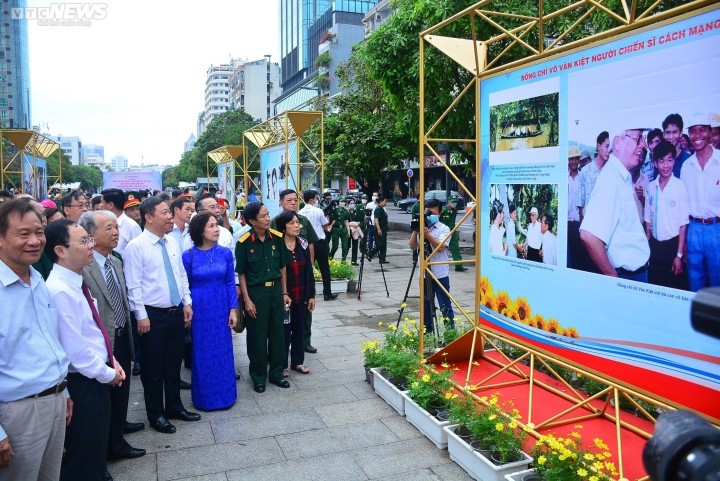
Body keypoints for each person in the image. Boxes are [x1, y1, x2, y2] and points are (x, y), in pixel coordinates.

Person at [44, 219, 126, 481]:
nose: (91, 246)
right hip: (83, 382)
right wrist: (107, 373)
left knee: (95, 447)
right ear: (60, 251)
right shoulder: (58, 291)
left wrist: (111, 359)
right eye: (84, 241)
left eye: (90, 239)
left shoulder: (75, 281)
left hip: (96, 374)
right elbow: (75, 350)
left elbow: (92, 330)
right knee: (83, 453)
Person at [0, 198, 71, 481]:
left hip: (53, 400)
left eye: (39, 232)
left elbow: (48, 341)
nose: (34, 241)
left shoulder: (37, 279)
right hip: (17, 413)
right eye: (23, 234)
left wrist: (62, 391)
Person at [124, 197, 200, 434]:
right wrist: (141, 315)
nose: (170, 216)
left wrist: (187, 303)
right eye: (165, 212)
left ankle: (175, 406)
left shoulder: (171, 242)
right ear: (148, 217)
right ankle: (156, 414)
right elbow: (133, 285)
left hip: (176, 311)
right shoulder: (136, 246)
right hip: (152, 316)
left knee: (173, 362)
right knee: (153, 368)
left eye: (169, 212)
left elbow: (180, 275)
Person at [78, 211, 147, 469]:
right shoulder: (84, 267)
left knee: (121, 392)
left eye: (117, 227)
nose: (116, 232)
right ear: (91, 235)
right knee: (102, 399)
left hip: (121, 335)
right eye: (109, 228)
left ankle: (117, 438)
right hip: (99, 342)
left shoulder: (115, 261)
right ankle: (103, 453)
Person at [182, 212, 238, 410]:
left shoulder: (225, 253)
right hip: (200, 311)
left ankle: (226, 395)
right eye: (211, 226)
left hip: (221, 307)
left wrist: (233, 309)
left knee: (223, 351)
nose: (216, 229)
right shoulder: (188, 256)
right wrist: (187, 308)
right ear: (199, 231)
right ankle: (204, 398)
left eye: (217, 225)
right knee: (202, 352)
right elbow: (185, 286)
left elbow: (230, 283)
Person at [580, 127, 650, 281]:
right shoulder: (612, 178)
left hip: (633, 274)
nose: (643, 145)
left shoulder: (620, 175)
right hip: (627, 277)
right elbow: (589, 236)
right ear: (617, 142)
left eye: (643, 139)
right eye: (638, 138)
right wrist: (615, 280)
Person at [235, 202, 292, 393]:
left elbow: (283, 267)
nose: (268, 219)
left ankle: (276, 374)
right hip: (256, 294)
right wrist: (247, 300)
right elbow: (241, 273)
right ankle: (258, 376)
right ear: (252, 220)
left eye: (268, 215)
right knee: (257, 337)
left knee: (278, 335)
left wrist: (284, 292)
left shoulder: (277, 238)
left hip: (275, 292)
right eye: (263, 216)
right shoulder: (243, 243)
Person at [271, 189, 320, 353]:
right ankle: (281, 352)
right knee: (284, 321)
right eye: (289, 200)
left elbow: (311, 243)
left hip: (302, 271)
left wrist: (310, 265)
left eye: (295, 200)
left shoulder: (303, 220)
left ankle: (305, 342)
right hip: (285, 281)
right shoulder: (274, 222)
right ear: (280, 202)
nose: (293, 203)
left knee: (304, 315)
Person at [679, 112, 720, 291]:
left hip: (716, 230)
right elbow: (683, 207)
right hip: (693, 229)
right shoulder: (686, 167)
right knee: (695, 280)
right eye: (693, 131)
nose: (697, 136)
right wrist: (684, 242)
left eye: (702, 130)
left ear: (710, 133)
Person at [275, 210, 316, 376]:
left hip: (301, 295)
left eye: (297, 222)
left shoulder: (303, 244)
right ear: (283, 226)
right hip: (283, 297)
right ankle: (282, 364)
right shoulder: (277, 244)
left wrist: (311, 295)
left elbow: (308, 271)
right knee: (284, 331)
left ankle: (298, 362)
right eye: (292, 223)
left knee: (299, 329)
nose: (296, 226)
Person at [644, 140, 689, 290]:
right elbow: (648, 221)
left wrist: (679, 255)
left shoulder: (680, 187)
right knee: (655, 289)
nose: (666, 165)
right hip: (655, 248)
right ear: (655, 163)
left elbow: (683, 224)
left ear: (674, 161)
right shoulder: (650, 188)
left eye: (670, 160)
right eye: (661, 161)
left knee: (674, 290)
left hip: (673, 246)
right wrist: (647, 249)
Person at [410, 198, 455, 335]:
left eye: (432, 212)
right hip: (424, 274)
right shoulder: (422, 227)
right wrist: (416, 231)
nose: (429, 215)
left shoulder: (444, 228)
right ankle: (427, 335)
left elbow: (440, 248)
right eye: (427, 212)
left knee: (444, 305)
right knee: (426, 306)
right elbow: (412, 246)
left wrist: (427, 234)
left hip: (440, 273)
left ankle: (449, 333)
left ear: (439, 213)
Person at [299, 190, 337, 300]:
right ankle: (327, 293)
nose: (317, 200)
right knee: (324, 268)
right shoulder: (318, 211)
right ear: (311, 200)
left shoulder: (300, 212)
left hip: (306, 243)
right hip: (319, 242)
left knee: (308, 268)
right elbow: (325, 226)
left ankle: (309, 293)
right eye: (316, 198)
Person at [578, 131, 610, 222]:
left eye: (610, 148)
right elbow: (581, 204)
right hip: (589, 223)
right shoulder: (585, 172)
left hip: (606, 222)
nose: (608, 151)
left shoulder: (611, 172)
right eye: (606, 146)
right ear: (598, 146)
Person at [440, 194, 467, 271]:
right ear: (448, 202)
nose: (454, 203)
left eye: (455, 202)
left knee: (455, 248)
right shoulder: (443, 210)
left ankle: (458, 266)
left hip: (452, 231)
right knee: (440, 248)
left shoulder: (454, 210)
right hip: (443, 231)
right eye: (453, 202)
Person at [662, 113, 692, 178]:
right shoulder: (660, 159)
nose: (671, 137)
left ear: (681, 133)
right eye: (668, 132)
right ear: (663, 134)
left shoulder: (689, 160)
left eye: (675, 132)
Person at [567, 147, 582, 268]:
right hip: (566, 223)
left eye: (576, 159)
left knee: (578, 256)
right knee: (567, 257)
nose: (573, 161)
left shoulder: (582, 178)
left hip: (578, 223)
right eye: (571, 159)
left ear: (579, 160)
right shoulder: (564, 178)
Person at [367, 195, 389, 263]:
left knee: (383, 245)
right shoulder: (378, 209)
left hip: (384, 229)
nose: (386, 203)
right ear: (381, 201)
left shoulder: (381, 209)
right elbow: (376, 219)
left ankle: (382, 259)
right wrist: (379, 229)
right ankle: (370, 253)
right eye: (385, 201)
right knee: (380, 244)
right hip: (380, 230)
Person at [348, 197, 365, 266]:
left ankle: (354, 261)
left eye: (353, 203)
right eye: (350, 203)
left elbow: (360, 221)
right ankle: (344, 260)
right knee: (347, 246)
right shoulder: (346, 212)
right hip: (348, 231)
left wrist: (358, 223)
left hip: (355, 231)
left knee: (355, 246)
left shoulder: (356, 212)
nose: (352, 204)